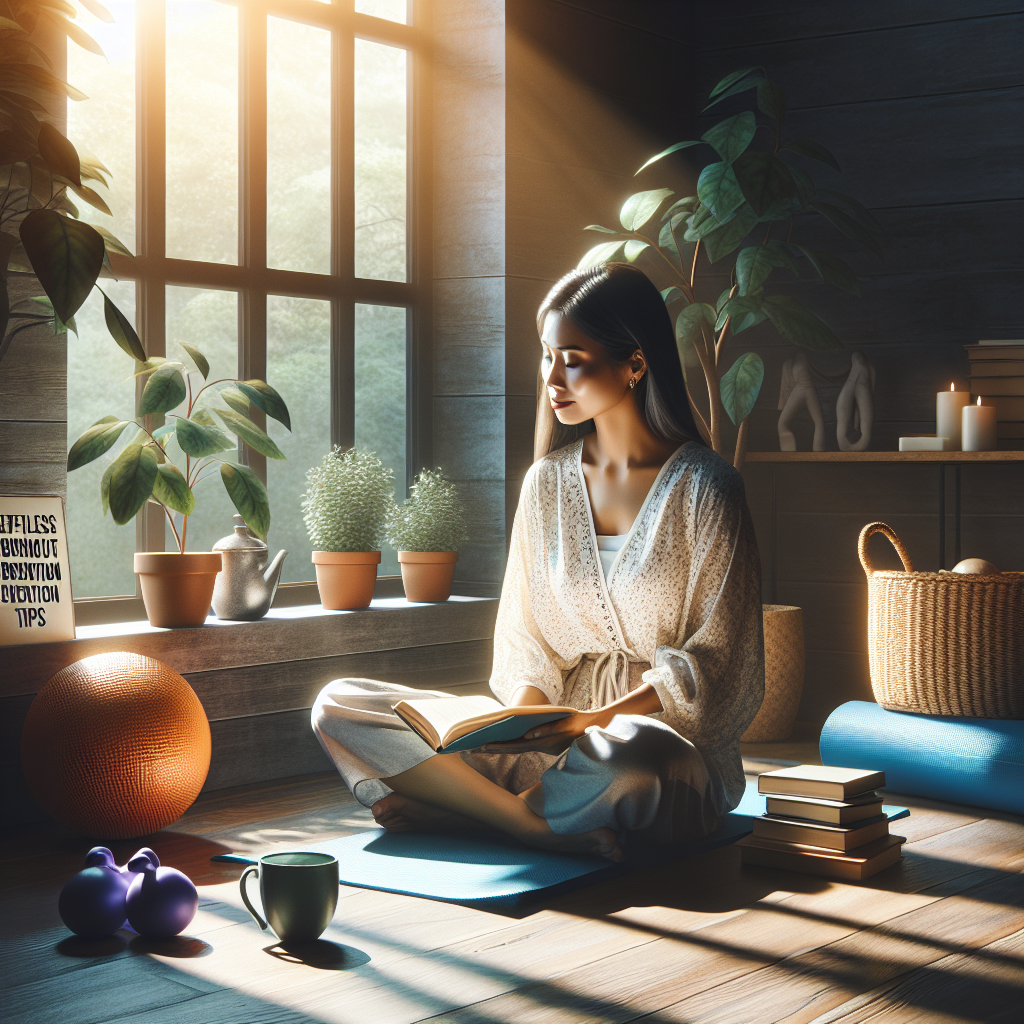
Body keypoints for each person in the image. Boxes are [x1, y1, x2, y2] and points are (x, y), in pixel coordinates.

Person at [312, 263, 764, 861]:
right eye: (547, 355)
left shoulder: (709, 487)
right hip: (546, 733)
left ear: (635, 363)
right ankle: (523, 820)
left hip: (657, 740)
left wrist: (595, 719)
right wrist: (514, 728)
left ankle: (472, 811)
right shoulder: (545, 483)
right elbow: (526, 638)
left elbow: (719, 663)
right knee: (339, 703)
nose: (552, 378)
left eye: (572, 357)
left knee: (634, 764)